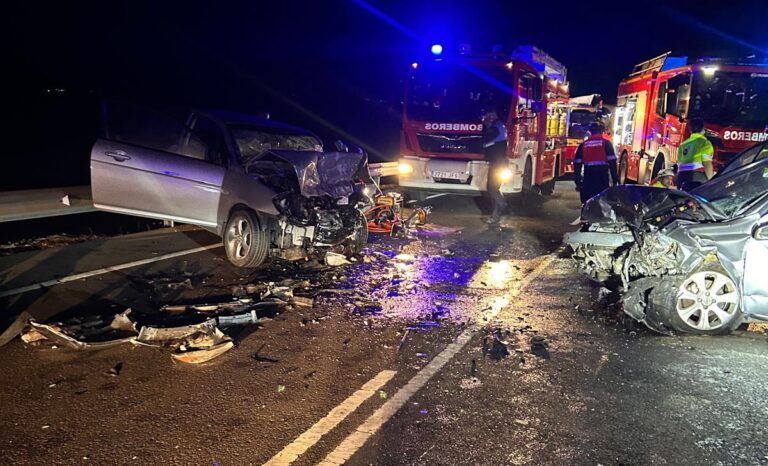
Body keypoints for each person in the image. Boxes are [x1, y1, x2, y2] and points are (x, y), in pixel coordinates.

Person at [573, 122, 619, 204]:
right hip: (602, 179)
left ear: (590, 132)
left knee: (587, 204)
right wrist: (615, 180)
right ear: (602, 131)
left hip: (588, 179)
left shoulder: (583, 145)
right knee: (602, 204)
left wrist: (578, 181)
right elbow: (612, 163)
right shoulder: (606, 144)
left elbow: (577, 164)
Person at [481, 109, 508, 224]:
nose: (488, 117)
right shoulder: (499, 126)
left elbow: (487, 137)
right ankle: (495, 215)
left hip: (498, 163)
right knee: (494, 188)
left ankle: (502, 205)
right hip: (498, 162)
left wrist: (485, 126)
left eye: (490, 115)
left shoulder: (496, 127)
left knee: (492, 188)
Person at [677, 117, 714, 191]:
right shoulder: (705, 143)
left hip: (681, 177)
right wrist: (712, 182)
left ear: (690, 130)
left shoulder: (683, 144)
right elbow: (707, 164)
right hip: (697, 177)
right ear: (703, 130)